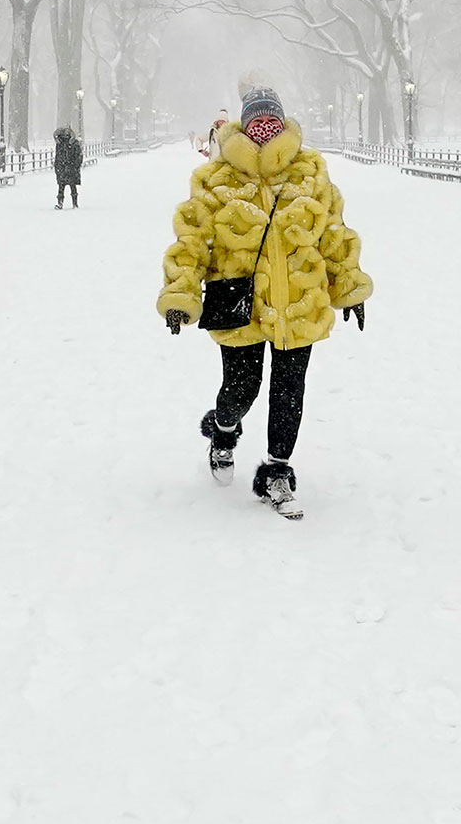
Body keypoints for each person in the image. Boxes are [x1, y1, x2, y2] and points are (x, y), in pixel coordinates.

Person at [157, 75, 370, 518]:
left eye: (273, 121)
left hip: (300, 303)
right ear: (243, 124)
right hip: (240, 305)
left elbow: (333, 234)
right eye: (258, 122)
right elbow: (191, 240)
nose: (266, 130)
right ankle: (223, 428)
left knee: (289, 392)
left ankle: (277, 471)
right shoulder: (215, 179)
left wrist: (348, 286)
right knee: (242, 388)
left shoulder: (310, 172)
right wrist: (179, 294)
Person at [53, 125, 83, 208]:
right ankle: (65, 203)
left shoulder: (62, 144)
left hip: (68, 168)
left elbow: (78, 156)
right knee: (64, 186)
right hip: (66, 168)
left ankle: (71, 203)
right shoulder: (62, 144)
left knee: (66, 186)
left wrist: (75, 165)